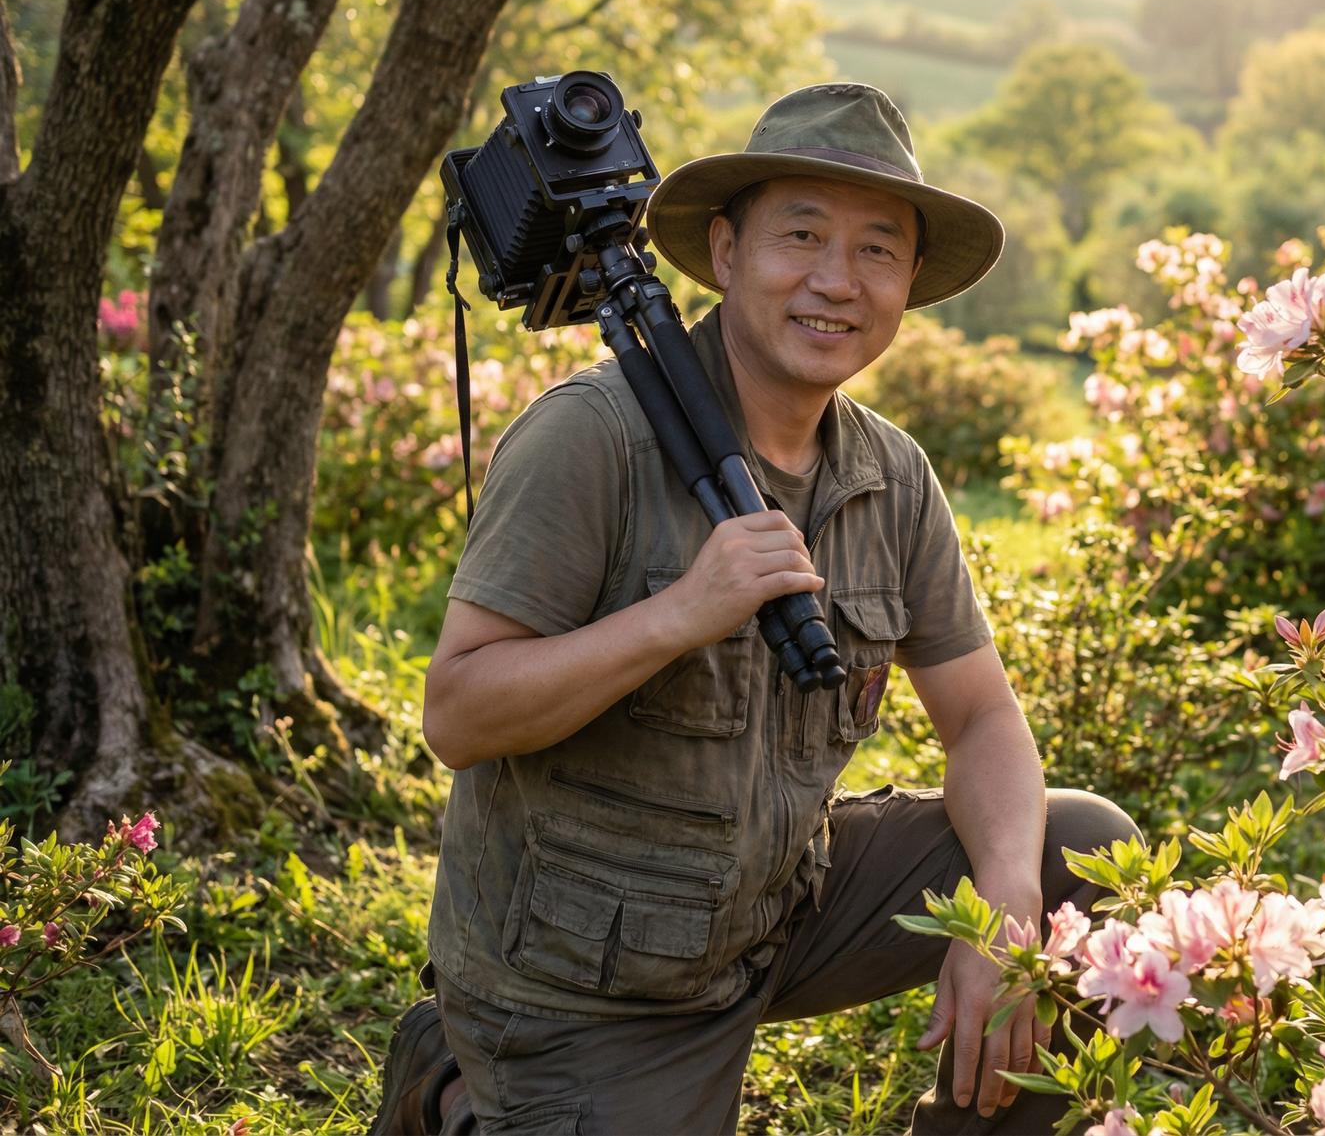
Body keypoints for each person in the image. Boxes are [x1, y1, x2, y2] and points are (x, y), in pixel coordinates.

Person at [371, 82, 1139, 1135]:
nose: (837, 279)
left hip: (774, 907)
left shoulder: (890, 474)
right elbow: (458, 713)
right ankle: (455, 1089)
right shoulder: (591, 437)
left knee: (1080, 853)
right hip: (585, 979)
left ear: (909, 282)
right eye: (802, 235)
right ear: (726, 252)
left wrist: (1006, 906)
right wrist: (682, 611)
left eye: (877, 249)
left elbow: (981, 718)